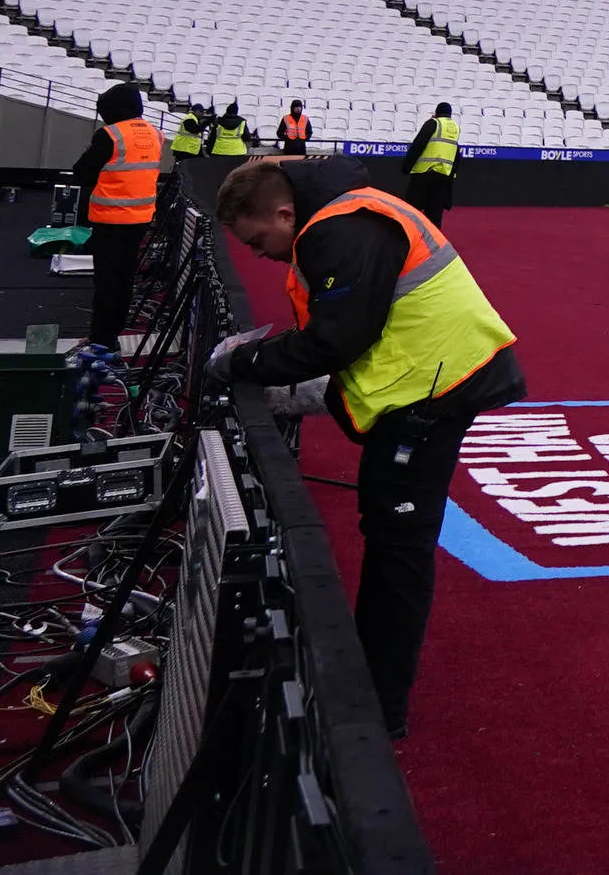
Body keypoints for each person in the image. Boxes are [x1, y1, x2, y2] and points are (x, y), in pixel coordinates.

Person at [204, 157, 523, 740]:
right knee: (388, 532)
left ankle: (378, 708)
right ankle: (372, 682)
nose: (261, 254)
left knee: (398, 545)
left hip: (437, 390)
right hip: (427, 382)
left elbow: (334, 340)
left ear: (283, 211)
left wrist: (243, 362)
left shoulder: (340, 226)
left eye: (259, 241)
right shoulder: (344, 213)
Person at [69, 84, 163, 350]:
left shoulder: (109, 135)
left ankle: (102, 339)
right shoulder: (155, 133)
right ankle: (114, 333)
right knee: (124, 279)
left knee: (107, 282)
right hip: (141, 218)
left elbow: (82, 172)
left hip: (111, 219)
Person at [404, 104, 460, 225]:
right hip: (443, 175)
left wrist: (407, 166)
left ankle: (410, 238)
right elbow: (456, 152)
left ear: (437, 112)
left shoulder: (433, 123)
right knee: (435, 214)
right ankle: (433, 242)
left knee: (413, 210)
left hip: (424, 172)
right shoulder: (455, 128)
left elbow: (418, 144)